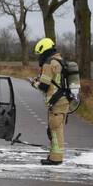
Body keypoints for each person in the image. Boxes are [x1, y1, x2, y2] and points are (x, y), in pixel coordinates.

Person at [34, 37, 69, 166]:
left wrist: (34, 83)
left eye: (40, 54)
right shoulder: (60, 60)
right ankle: (54, 156)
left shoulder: (49, 63)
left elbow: (44, 85)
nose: (40, 57)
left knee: (55, 130)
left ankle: (55, 159)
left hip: (56, 101)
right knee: (57, 129)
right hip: (63, 100)